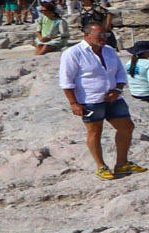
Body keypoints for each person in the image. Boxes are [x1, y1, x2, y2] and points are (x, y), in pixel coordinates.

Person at [57, 19, 139, 180]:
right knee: (95, 131)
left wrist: (117, 89)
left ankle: (122, 163)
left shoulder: (108, 50)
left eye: (106, 34)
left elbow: (120, 72)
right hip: (90, 99)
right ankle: (101, 166)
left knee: (127, 127)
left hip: (113, 97)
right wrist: (73, 102)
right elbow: (66, 80)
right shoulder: (73, 53)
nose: (104, 37)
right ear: (87, 35)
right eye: (99, 34)